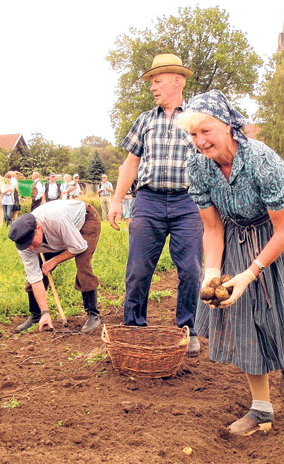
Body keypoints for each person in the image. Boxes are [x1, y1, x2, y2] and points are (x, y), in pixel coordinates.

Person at [177, 90, 284, 436]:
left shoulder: (261, 160)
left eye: (206, 131)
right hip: (237, 229)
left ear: (227, 126)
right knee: (242, 312)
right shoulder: (195, 165)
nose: (199, 141)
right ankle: (261, 410)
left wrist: (251, 273)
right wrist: (213, 272)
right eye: (193, 134)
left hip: (282, 227)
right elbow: (212, 226)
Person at [107, 53, 203, 356]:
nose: (152, 87)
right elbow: (130, 163)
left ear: (177, 81)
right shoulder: (145, 120)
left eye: (157, 81)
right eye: (151, 82)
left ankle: (188, 329)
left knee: (190, 270)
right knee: (137, 269)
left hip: (188, 203)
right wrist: (116, 200)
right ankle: (133, 328)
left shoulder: (197, 120)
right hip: (147, 201)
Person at [8, 200, 102, 334]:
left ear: (38, 229)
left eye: (31, 243)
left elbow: (79, 246)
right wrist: (45, 312)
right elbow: (35, 277)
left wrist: (53, 261)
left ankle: (93, 314)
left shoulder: (56, 220)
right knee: (38, 271)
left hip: (84, 222)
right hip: (55, 235)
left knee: (83, 264)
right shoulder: (24, 242)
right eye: (26, 246)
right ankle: (37, 315)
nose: (30, 248)